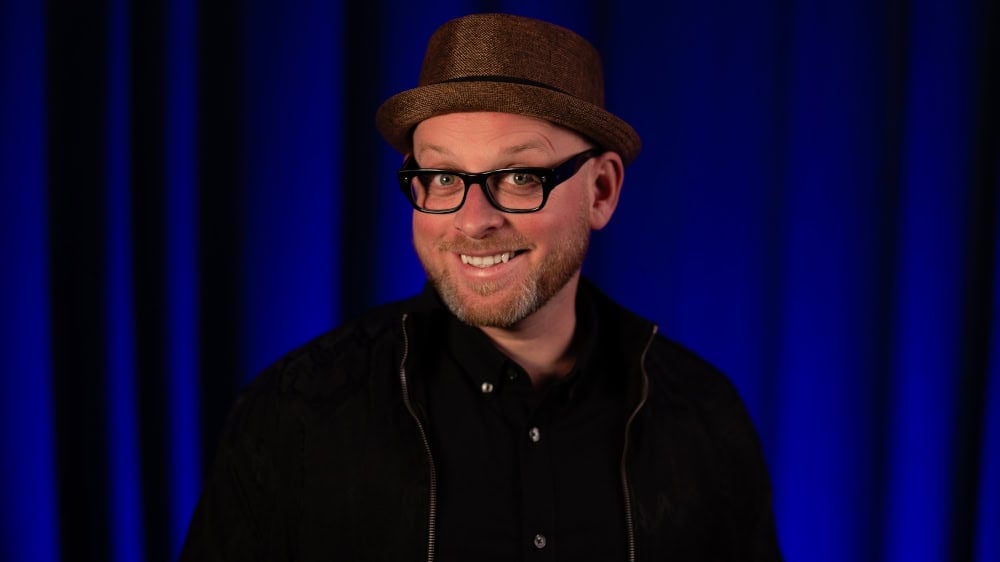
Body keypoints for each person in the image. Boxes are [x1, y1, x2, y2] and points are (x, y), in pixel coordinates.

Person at [180, 12, 782, 562]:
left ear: (601, 191)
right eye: (442, 177)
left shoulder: (702, 420)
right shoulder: (297, 415)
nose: (472, 221)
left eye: (519, 176)